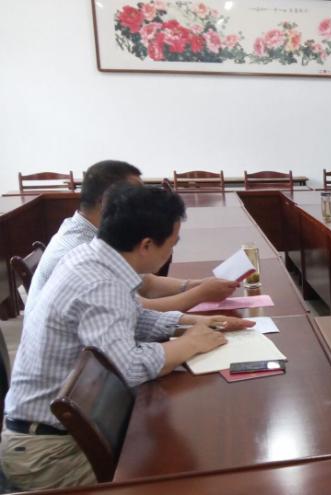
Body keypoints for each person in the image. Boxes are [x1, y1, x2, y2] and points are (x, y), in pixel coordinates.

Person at [2, 185, 253, 490]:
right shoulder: (99, 283)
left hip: (62, 432)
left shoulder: (95, 258)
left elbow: (133, 317)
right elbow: (127, 368)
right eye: (172, 243)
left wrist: (193, 322)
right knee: (194, 471)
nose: (171, 251)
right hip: (51, 454)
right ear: (146, 245)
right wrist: (189, 343)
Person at [28, 160, 237, 313]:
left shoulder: (96, 235)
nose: (144, 202)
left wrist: (194, 285)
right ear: (106, 201)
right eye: (136, 195)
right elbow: (137, 310)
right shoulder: (78, 248)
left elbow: (142, 282)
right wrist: (200, 294)